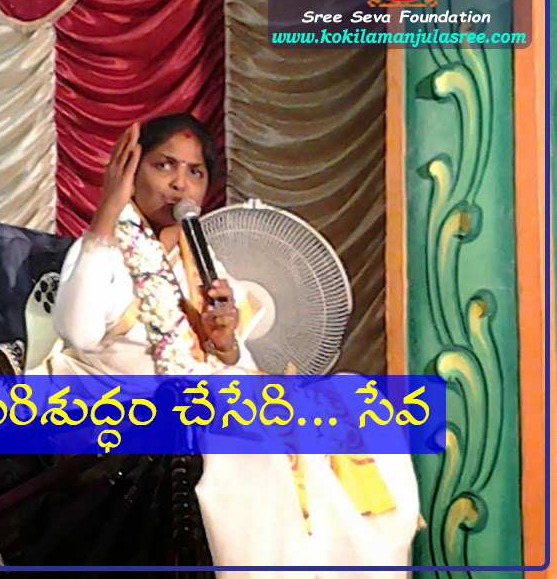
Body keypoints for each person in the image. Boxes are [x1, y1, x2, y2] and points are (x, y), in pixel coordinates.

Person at [41, 113, 422, 577]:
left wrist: (226, 346)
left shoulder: (205, 263)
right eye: (164, 166)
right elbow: (77, 332)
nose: (180, 184)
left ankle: (349, 561)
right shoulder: (103, 248)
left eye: (195, 172)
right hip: (128, 408)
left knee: (355, 399)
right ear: (130, 173)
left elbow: (237, 369)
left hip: (206, 398)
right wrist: (105, 214)